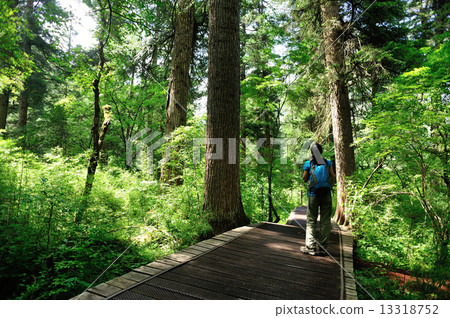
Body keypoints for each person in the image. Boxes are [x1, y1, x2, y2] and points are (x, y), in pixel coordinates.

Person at [300, 143, 336, 256]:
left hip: (313, 195)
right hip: (326, 195)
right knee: (325, 221)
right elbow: (333, 177)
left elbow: (304, 179)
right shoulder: (328, 163)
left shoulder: (309, 163)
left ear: (311, 152)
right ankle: (323, 247)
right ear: (322, 151)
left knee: (311, 220)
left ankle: (310, 247)